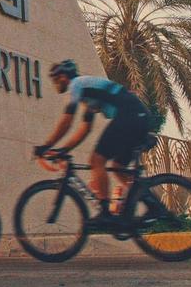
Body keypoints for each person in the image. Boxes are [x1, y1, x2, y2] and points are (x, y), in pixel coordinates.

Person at [35, 60, 152, 226]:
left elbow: (67, 122)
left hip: (130, 116)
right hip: (136, 117)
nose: (54, 83)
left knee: (96, 160)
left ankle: (105, 213)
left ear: (62, 77)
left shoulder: (76, 85)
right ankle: (154, 207)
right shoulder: (88, 97)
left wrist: (46, 146)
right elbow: (85, 129)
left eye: (54, 79)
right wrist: (63, 149)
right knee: (118, 168)